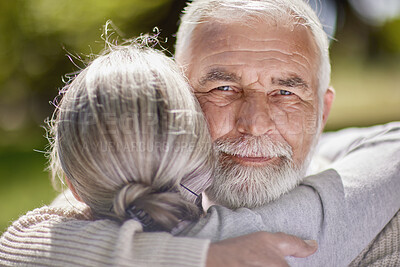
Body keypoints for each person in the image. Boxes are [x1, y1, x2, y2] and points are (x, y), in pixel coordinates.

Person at [1, 0, 399, 266]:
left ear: (323, 112)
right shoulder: (129, 191)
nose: (255, 123)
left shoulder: (388, 229)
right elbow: (18, 247)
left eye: (285, 93)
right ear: (180, 99)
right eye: (223, 88)